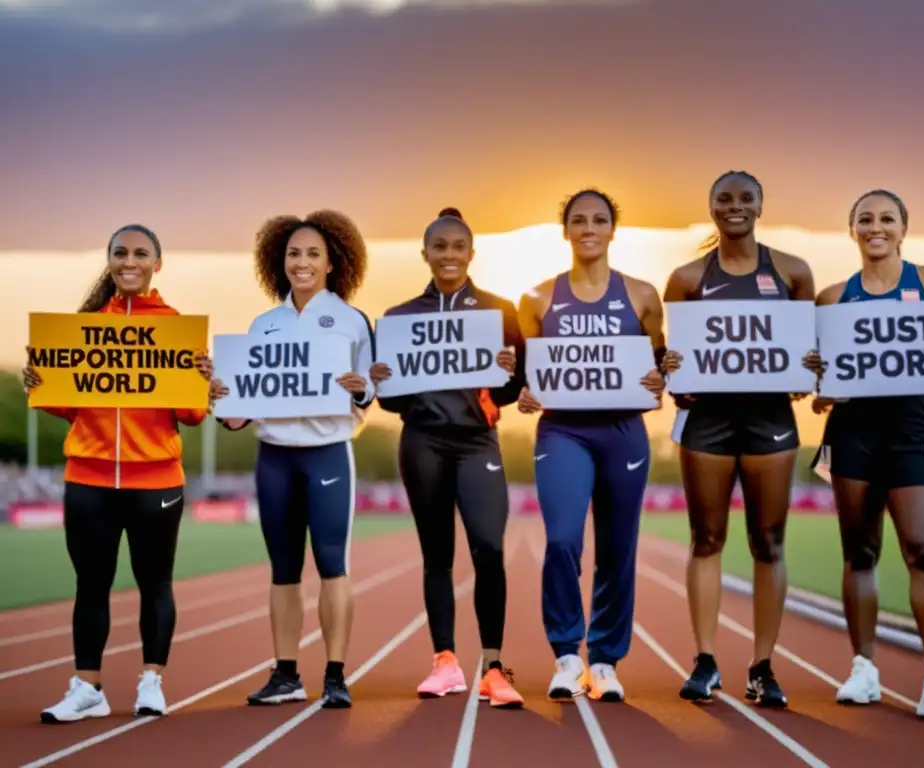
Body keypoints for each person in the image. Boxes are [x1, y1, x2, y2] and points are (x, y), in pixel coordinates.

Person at [804, 189, 924, 720]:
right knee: (860, 552)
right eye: (864, 219)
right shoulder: (831, 298)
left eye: (886, 218)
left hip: (914, 428)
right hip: (853, 433)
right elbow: (822, 379)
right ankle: (863, 668)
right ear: (852, 231)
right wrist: (819, 387)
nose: (876, 227)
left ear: (903, 228)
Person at [22, 224, 213, 723]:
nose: (130, 261)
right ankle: (88, 688)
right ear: (109, 261)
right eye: (120, 252)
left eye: (141, 253)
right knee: (91, 585)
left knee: (155, 584)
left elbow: (192, 416)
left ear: (157, 263)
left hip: (156, 482)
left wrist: (201, 380)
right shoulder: (83, 328)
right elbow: (72, 406)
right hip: (88, 478)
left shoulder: (177, 329)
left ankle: (151, 681)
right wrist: (41, 385)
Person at [208, 210, 376, 709]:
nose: (302, 263)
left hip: (328, 454)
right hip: (274, 458)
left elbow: (369, 394)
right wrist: (221, 397)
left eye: (313, 254)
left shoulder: (351, 321)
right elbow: (240, 411)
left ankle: (335, 675)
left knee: (331, 564)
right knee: (283, 569)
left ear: (332, 263)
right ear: (278, 262)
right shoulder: (263, 326)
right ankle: (285, 675)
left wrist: (359, 387)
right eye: (293, 254)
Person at [516, 189, 678, 703]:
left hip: (623, 433)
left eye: (599, 220)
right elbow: (527, 373)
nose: (589, 228)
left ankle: (605, 660)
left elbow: (665, 365)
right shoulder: (537, 299)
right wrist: (523, 391)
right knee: (562, 538)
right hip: (563, 432)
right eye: (578, 220)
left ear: (613, 230)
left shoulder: (643, 295)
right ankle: (567, 654)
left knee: (617, 548)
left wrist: (661, 381)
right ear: (565, 231)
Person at [661, 170, 816, 709]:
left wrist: (808, 371)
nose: (735, 207)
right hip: (709, 424)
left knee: (768, 542)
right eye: (724, 199)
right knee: (706, 538)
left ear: (760, 205)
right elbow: (670, 358)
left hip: (770, 420)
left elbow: (807, 350)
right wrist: (673, 373)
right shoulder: (685, 278)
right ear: (710, 206)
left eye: (745, 198)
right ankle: (705, 661)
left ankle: (762, 666)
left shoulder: (793, 272)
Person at [369, 207, 525, 708]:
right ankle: (445, 662)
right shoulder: (398, 318)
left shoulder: (499, 311)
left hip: (477, 443)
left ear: (471, 253)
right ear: (426, 254)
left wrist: (508, 372)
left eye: (458, 246)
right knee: (437, 555)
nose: (450, 255)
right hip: (423, 443)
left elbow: (511, 391)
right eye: (440, 247)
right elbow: (391, 403)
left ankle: (495, 668)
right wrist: (380, 379)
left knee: (488, 548)